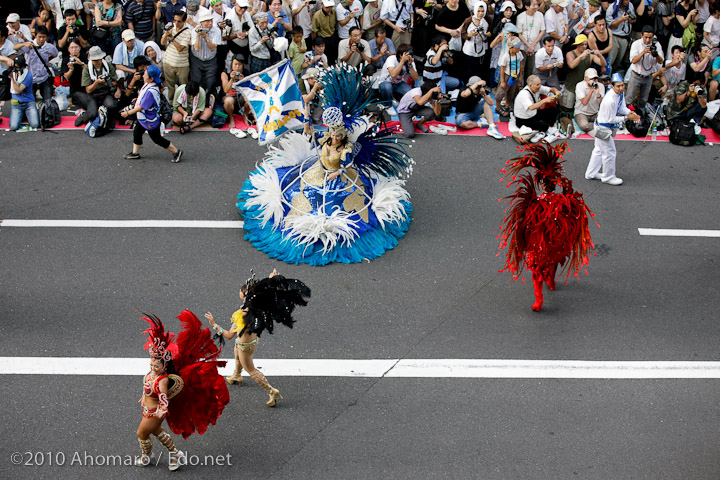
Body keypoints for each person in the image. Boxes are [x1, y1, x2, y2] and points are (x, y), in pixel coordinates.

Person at [237, 66, 415, 266]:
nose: (335, 137)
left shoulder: (346, 148)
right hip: (314, 174)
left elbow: (346, 164)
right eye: (333, 134)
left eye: (339, 135)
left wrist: (337, 172)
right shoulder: (325, 140)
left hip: (337, 181)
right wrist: (306, 120)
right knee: (298, 199)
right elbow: (310, 135)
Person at [498, 142, 595, 312]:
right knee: (555, 260)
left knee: (537, 269)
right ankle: (550, 280)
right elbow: (574, 216)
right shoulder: (563, 201)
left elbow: (527, 222)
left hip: (539, 245)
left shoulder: (536, 203)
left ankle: (539, 299)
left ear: (542, 184)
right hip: (558, 243)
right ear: (555, 183)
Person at [136, 310, 229, 470]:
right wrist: (143, 396)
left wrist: (162, 410)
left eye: (156, 365)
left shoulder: (162, 380)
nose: (153, 368)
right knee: (157, 432)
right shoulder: (152, 374)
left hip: (154, 413)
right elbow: (147, 388)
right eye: (151, 365)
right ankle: (175, 455)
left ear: (164, 366)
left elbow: (164, 399)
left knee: (142, 433)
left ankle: (147, 456)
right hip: (147, 410)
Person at [205, 269, 310, 407]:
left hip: (245, 346)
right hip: (248, 341)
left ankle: (271, 391)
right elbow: (263, 293)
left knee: (251, 370)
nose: (240, 292)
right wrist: (271, 280)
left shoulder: (242, 314)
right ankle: (236, 375)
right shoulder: (256, 305)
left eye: (242, 291)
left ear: (245, 296)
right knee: (237, 355)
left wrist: (214, 325)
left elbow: (229, 335)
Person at [584, 72, 640, 186]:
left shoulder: (620, 94)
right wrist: (626, 118)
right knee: (609, 152)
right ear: (612, 86)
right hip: (603, 127)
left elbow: (622, 107)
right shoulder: (609, 100)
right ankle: (608, 176)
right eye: (618, 86)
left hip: (603, 126)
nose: (621, 88)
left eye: (622, 85)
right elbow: (610, 119)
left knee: (599, 150)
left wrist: (630, 113)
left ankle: (591, 173)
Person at [122, 65, 184, 162]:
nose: (143, 76)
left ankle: (176, 151)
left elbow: (142, 107)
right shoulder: (150, 85)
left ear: (151, 79)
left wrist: (128, 113)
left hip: (149, 120)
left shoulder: (151, 91)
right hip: (144, 118)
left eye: (145, 75)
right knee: (137, 133)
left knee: (157, 139)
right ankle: (135, 153)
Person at [76, 45, 120, 126]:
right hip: (93, 94)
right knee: (92, 114)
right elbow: (88, 90)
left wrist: (107, 83)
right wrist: (96, 82)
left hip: (105, 92)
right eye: (95, 60)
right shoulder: (87, 69)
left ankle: (109, 120)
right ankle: (83, 116)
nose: (98, 62)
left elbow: (115, 82)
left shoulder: (107, 65)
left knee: (112, 106)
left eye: (99, 59)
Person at [12, 26, 58, 102]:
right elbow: (14, 47)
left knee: (48, 100)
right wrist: (24, 44)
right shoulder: (29, 45)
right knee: (30, 101)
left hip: (44, 77)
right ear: (35, 36)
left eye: (44, 37)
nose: (41, 39)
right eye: (39, 37)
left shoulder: (49, 47)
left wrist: (47, 60)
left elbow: (55, 54)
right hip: (31, 79)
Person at [562, 33, 606, 108]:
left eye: (586, 44)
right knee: (567, 107)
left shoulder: (590, 55)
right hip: (571, 85)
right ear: (577, 45)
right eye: (582, 44)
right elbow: (572, 65)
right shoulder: (570, 53)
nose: (584, 46)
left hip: (584, 86)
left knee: (583, 105)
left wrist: (600, 55)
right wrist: (581, 56)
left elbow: (603, 63)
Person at [626, 25, 664, 110]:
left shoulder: (657, 45)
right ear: (642, 35)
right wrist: (643, 52)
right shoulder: (636, 44)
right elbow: (633, 60)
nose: (647, 40)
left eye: (650, 38)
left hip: (648, 76)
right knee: (629, 98)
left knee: (643, 100)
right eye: (646, 37)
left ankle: (641, 117)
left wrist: (656, 54)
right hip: (636, 75)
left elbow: (661, 61)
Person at [220, 54, 258, 138]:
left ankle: (245, 115)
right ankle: (231, 118)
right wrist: (231, 79)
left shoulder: (246, 72)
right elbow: (225, 89)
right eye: (235, 64)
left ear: (243, 65)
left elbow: (250, 90)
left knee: (250, 99)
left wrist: (243, 81)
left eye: (239, 65)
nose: (237, 67)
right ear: (232, 64)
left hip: (241, 96)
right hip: (230, 97)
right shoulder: (225, 72)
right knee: (228, 101)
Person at [514, 74, 561, 140]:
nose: (539, 86)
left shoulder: (538, 88)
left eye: (540, 84)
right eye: (537, 85)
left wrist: (556, 91)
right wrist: (545, 100)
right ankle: (544, 128)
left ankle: (547, 124)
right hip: (523, 119)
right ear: (530, 85)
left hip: (533, 113)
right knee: (544, 126)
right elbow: (531, 107)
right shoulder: (524, 94)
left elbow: (550, 89)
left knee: (554, 110)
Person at [162, 10, 192, 104]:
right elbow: (162, 43)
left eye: (179, 21)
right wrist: (166, 34)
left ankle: (184, 103)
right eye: (175, 20)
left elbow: (180, 48)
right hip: (168, 62)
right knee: (170, 86)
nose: (176, 23)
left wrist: (171, 38)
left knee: (183, 86)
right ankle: (171, 103)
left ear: (184, 21)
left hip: (182, 64)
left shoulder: (187, 32)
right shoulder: (171, 28)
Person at [378, 44, 419, 110]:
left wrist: (410, 66)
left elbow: (416, 78)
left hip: (398, 83)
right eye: (407, 55)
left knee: (410, 94)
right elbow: (393, 75)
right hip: (385, 82)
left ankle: (395, 97)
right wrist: (402, 62)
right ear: (401, 55)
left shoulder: (410, 61)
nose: (409, 57)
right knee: (387, 87)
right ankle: (388, 105)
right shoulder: (391, 59)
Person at [190, 9, 221, 92]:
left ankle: (209, 99)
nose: (210, 23)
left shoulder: (216, 31)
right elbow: (197, 48)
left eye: (211, 20)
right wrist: (197, 35)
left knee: (210, 81)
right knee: (196, 81)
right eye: (207, 21)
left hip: (210, 60)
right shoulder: (194, 31)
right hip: (197, 59)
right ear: (201, 23)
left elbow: (213, 48)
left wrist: (205, 37)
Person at [8, 56, 40, 131]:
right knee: (13, 126)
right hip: (17, 103)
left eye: (17, 67)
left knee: (35, 124)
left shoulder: (28, 75)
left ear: (22, 67)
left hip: (29, 102)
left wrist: (12, 78)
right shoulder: (13, 72)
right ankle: (22, 115)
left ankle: (25, 114)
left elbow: (17, 90)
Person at [516, 0, 546, 82]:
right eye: (534, 5)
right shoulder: (520, 17)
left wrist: (533, 45)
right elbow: (519, 33)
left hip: (534, 48)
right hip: (523, 47)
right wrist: (528, 45)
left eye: (537, 5)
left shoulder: (540, 15)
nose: (536, 7)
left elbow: (542, 31)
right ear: (527, 6)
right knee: (521, 69)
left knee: (531, 70)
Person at [462, 2, 491, 80]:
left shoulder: (487, 20)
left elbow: (490, 33)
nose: (481, 13)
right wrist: (470, 35)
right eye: (478, 11)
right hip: (470, 49)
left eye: (482, 11)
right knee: (468, 70)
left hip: (481, 48)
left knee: (479, 70)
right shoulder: (468, 20)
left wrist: (485, 34)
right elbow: (463, 33)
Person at [606, 0, 636, 73]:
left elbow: (634, 19)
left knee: (618, 60)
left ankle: (615, 77)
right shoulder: (612, 8)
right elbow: (611, 25)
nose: (627, 1)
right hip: (614, 36)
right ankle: (607, 77)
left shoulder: (630, 5)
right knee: (611, 60)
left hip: (625, 36)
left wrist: (630, 20)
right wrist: (621, 19)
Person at [496, 36, 524, 112]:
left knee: (511, 92)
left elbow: (520, 65)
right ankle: (498, 107)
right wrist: (502, 81)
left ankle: (507, 105)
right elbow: (502, 69)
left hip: (515, 76)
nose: (518, 49)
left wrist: (520, 76)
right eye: (516, 47)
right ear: (511, 47)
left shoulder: (519, 54)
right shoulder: (506, 57)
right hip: (507, 75)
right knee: (501, 92)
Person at [574, 67, 604, 133]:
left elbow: (601, 103)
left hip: (595, 112)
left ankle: (598, 125)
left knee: (606, 121)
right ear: (585, 78)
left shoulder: (601, 86)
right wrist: (591, 90)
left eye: (595, 78)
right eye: (591, 79)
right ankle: (599, 126)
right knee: (584, 126)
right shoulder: (579, 85)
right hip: (581, 112)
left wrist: (597, 94)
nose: (594, 81)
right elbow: (584, 102)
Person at [311, 0, 338, 64]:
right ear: (322, 4)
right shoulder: (317, 15)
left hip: (332, 37)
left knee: (332, 58)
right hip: (322, 38)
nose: (329, 9)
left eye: (331, 6)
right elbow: (314, 31)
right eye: (327, 7)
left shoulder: (334, 12)